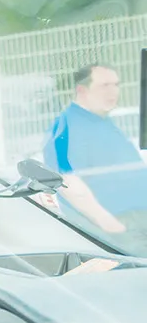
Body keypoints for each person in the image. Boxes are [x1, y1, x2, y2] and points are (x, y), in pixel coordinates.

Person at [45, 63, 147, 254]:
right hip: (123, 228)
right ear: (82, 90)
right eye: (105, 85)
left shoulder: (101, 122)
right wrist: (112, 226)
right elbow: (68, 183)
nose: (113, 91)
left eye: (116, 85)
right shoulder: (69, 126)